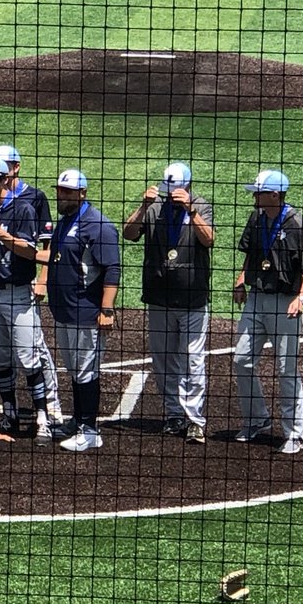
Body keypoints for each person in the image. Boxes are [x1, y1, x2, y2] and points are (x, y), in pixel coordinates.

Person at [122, 162, 215, 444]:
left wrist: (191, 210)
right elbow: (128, 234)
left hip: (192, 298)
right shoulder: (153, 207)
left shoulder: (201, 205)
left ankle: (195, 420)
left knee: (193, 360)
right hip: (159, 297)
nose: (171, 194)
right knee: (163, 360)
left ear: (188, 186)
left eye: (176, 189)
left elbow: (209, 239)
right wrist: (142, 205)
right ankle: (174, 415)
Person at [232, 170, 303, 454]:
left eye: (257, 192)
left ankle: (295, 434)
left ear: (274, 195)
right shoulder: (256, 218)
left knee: (286, 369)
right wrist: (241, 279)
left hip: (286, 303)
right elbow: (252, 254)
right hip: (257, 298)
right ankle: (258, 418)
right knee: (242, 360)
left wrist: (301, 298)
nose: (253, 197)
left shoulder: (297, 225)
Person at [0, 157, 55, 445]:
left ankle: (43, 416)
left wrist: (1, 234)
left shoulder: (23, 208)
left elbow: (28, 250)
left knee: (28, 357)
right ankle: (9, 411)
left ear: (2, 179)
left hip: (18, 294)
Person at [44, 169, 121, 452]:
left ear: (82, 193)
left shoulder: (97, 225)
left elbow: (112, 268)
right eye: (60, 190)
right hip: (65, 311)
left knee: (86, 370)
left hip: (86, 312)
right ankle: (78, 421)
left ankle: (90, 430)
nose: (61, 196)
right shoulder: (66, 222)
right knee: (76, 370)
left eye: (67, 191)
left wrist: (107, 310)